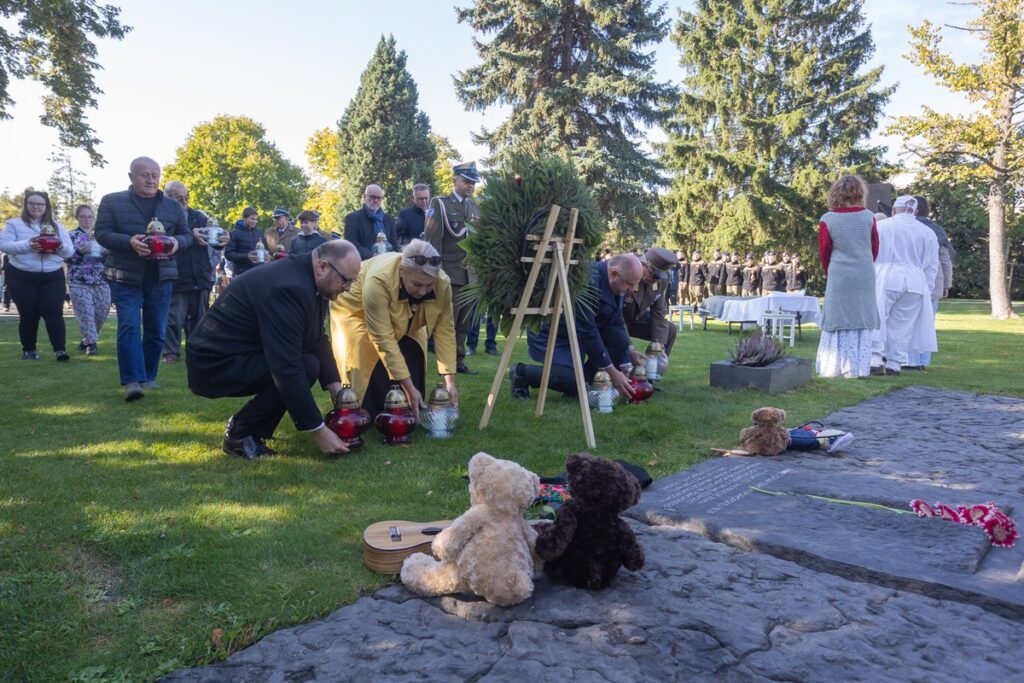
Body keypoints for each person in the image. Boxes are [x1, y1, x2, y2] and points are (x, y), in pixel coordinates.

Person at [186, 240, 362, 459]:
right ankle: (239, 434)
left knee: (309, 363)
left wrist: (336, 388)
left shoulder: (311, 281)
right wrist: (318, 430)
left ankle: (255, 431)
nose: (348, 288)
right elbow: (286, 366)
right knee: (305, 366)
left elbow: (315, 338)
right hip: (213, 363)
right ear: (323, 266)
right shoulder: (289, 288)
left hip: (236, 353)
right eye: (346, 280)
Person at [95, 157, 192, 399]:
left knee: (157, 329)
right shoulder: (112, 201)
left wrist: (177, 242)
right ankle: (132, 381)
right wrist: (129, 242)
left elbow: (187, 235)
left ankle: (148, 376)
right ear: (131, 177)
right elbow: (102, 233)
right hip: (125, 275)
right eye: (144, 175)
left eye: (155, 175)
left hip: (161, 275)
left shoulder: (173, 207)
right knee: (129, 325)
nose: (151, 180)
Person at [329, 239, 459, 418]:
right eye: (417, 284)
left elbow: (445, 331)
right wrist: (409, 388)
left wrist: (450, 382)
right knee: (364, 348)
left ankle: (410, 403)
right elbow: (383, 340)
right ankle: (364, 406)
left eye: (429, 286)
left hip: (404, 312)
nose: (423, 292)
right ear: (402, 271)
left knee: (414, 344)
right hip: (355, 310)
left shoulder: (442, 282)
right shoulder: (378, 281)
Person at [509, 254, 641, 401]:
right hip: (553, 335)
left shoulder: (618, 283)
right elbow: (589, 332)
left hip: (576, 335)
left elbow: (616, 325)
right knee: (572, 381)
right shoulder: (586, 282)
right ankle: (522, 372)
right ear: (613, 274)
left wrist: (626, 362)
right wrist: (613, 373)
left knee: (586, 380)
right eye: (630, 284)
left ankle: (583, 383)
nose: (632, 289)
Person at [815, 174, 880, 378]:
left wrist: (829, 271)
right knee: (861, 315)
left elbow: (825, 251)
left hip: (839, 272)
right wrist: (864, 263)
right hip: (864, 272)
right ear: (860, 193)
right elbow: (874, 247)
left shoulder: (828, 219)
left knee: (837, 316)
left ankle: (833, 366)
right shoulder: (869, 217)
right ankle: (858, 367)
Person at [0, 191, 74, 360]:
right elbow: (4, 245)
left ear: (46, 206)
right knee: (29, 313)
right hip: (21, 275)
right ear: (26, 205)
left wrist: (59, 246)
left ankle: (60, 350)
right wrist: (29, 245)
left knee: (54, 312)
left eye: (40, 204)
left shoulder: (58, 227)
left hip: (52, 275)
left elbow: (69, 252)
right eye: (32, 203)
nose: (36, 207)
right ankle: (29, 350)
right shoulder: (14, 224)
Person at [870, 196, 938, 376]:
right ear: (915, 212)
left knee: (878, 317)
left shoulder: (881, 226)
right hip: (915, 280)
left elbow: (871, 253)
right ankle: (894, 362)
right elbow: (932, 265)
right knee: (903, 324)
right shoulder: (928, 233)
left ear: (893, 210)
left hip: (886, 276)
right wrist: (928, 288)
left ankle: (875, 357)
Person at [424, 161, 481, 374]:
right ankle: (445, 361)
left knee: (463, 323)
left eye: (473, 182)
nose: (470, 186)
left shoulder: (473, 207)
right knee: (448, 321)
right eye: (466, 181)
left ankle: (458, 361)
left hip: (469, 276)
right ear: (455, 180)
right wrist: (435, 274)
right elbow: (433, 242)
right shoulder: (440, 204)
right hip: (449, 273)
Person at [161, 181, 224, 364]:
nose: (184, 201)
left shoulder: (199, 216)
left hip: (200, 274)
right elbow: (163, 239)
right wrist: (190, 234)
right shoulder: (163, 218)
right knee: (174, 318)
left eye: (186, 196)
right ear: (168, 198)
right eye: (179, 198)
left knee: (200, 318)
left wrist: (223, 238)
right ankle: (171, 351)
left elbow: (214, 239)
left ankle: (196, 349)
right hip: (177, 274)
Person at [909, 196, 954, 369]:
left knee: (909, 321)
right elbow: (945, 259)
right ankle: (923, 361)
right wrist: (946, 284)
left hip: (912, 278)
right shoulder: (937, 230)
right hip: (935, 280)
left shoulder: (907, 227)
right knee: (928, 323)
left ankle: (909, 359)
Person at [65, 204, 110, 355]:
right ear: (77, 218)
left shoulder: (102, 236)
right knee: (85, 313)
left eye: (90, 217)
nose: (87, 220)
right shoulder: (71, 236)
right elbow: (67, 259)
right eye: (83, 217)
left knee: (101, 313)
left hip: (101, 280)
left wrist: (106, 253)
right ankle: (91, 343)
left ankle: (87, 339)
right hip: (79, 281)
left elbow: (112, 259)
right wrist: (78, 252)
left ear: (94, 218)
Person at [622, 247, 678, 357]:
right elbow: (616, 315)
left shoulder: (661, 281)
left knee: (670, 330)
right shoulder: (627, 273)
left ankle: (654, 366)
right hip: (616, 320)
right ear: (643, 265)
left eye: (660, 277)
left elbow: (659, 312)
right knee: (616, 354)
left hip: (636, 319)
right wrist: (629, 349)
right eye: (654, 275)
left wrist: (658, 347)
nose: (656, 280)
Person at [344, 185, 399, 260]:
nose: (375, 200)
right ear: (365, 197)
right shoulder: (352, 218)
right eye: (372, 197)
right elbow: (351, 245)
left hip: (386, 263)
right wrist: (372, 255)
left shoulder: (389, 220)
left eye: (378, 198)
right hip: (363, 263)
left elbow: (395, 246)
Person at [225, 207, 268, 278]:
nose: (255, 221)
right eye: (252, 219)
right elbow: (228, 254)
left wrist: (267, 257)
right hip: (242, 274)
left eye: (256, 219)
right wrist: (246, 257)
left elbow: (266, 251)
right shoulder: (234, 233)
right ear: (244, 218)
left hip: (259, 272)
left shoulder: (259, 233)